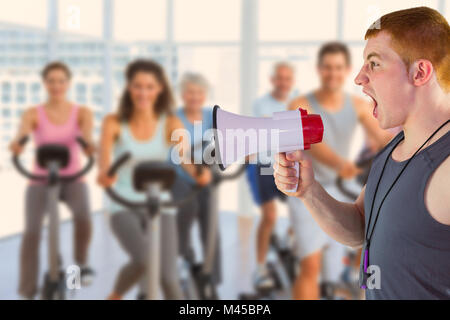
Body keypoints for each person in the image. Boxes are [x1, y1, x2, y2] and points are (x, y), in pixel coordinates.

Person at [274, 6, 450, 300]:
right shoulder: (394, 149)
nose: (358, 78)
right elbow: (359, 228)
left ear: (420, 72)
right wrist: (309, 191)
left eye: (374, 64)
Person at [286, 42, 392, 300]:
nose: (332, 73)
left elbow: (383, 137)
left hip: (343, 189)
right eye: (327, 68)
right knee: (310, 266)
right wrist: (340, 164)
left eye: (337, 68)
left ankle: (343, 281)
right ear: (319, 69)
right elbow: (311, 140)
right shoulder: (300, 103)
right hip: (307, 188)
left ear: (346, 70)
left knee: (343, 259)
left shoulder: (357, 105)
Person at [97, 60, 211, 300]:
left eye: (150, 87)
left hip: (161, 204)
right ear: (128, 87)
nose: (143, 93)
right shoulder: (114, 122)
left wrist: (199, 174)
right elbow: (104, 163)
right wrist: (105, 175)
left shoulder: (170, 122)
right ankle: (115, 296)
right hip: (124, 204)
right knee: (144, 260)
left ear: (160, 89)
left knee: (169, 278)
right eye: (138, 86)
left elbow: (185, 159)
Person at [9, 61, 95, 299]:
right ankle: (27, 291)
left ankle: (81, 262)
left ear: (68, 83)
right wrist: (18, 143)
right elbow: (23, 132)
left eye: (61, 81)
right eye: (51, 81)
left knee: (83, 216)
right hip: (40, 178)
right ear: (44, 84)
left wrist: (89, 145)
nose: (56, 85)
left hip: (73, 177)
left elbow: (87, 135)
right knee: (32, 232)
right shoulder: (33, 113)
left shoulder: (82, 112)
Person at [248, 61, 295, 288]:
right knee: (269, 217)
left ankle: (286, 242)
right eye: (280, 78)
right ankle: (260, 268)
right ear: (272, 80)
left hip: (290, 164)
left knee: (303, 213)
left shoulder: (297, 102)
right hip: (265, 166)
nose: (283, 83)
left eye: (287, 78)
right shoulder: (260, 104)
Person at [173, 72, 222, 286]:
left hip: (207, 173)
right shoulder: (174, 117)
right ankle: (185, 260)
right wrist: (195, 172)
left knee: (211, 224)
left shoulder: (212, 116)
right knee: (188, 211)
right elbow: (180, 153)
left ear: (205, 95)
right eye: (190, 92)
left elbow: (229, 137)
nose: (195, 97)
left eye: (199, 92)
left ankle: (212, 277)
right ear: (182, 95)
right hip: (179, 176)